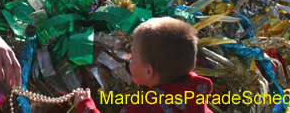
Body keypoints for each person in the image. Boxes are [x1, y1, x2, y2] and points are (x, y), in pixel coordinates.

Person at [74, 17, 213, 113]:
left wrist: (85, 106)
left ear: (148, 71)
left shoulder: (142, 110)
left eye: (133, 57)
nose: (129, 60)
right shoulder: (195, 97)